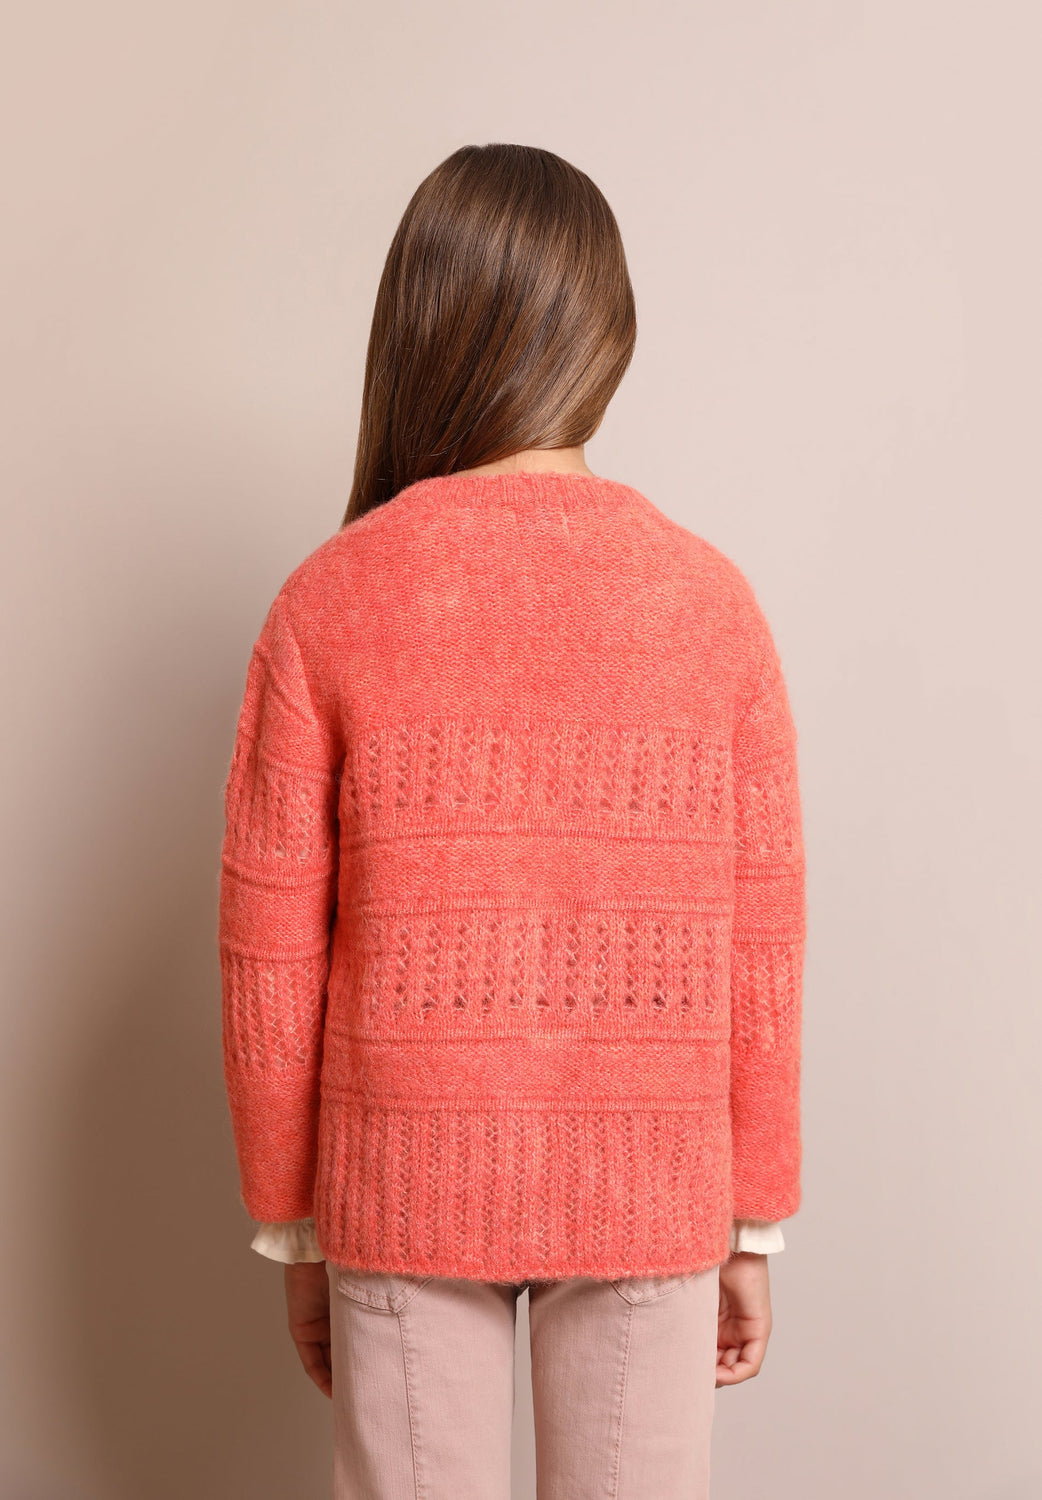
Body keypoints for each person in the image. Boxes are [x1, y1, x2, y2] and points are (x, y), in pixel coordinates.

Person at [217, 142, 805, 1499]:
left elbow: (268, 951)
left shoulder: (330, 598)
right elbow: (761, 945)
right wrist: (752, 1221)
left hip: (398, 1174)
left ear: (419, 328)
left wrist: (293, 1225)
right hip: (654, 1176)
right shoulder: (709, 605)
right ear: (608, 336)